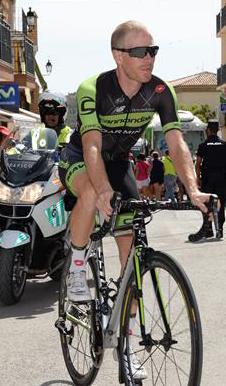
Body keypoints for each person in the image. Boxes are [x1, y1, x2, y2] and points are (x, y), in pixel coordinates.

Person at [57, 20, 212, 380]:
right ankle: (77, 264)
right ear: (118, 56)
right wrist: (103, 188)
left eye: (153, 50)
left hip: (119, 162)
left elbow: (177, 145)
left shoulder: (161, 91)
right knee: (95, 190)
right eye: (140, 52)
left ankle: (125, 347)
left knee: (132, 269)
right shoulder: (93, 88)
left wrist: (193, 189)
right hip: (80, 158)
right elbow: (92, 146)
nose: (149, 58)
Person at [189, 119, 226, 241]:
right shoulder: (225, 144)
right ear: (217, 130)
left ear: (208, 130)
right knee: (221, 203)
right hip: (221, 177)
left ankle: (209, 230)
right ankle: (220, 229)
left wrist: (198, 179)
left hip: (208, 177)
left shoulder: (203, 146)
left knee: (207, 204)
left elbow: (198, 164)